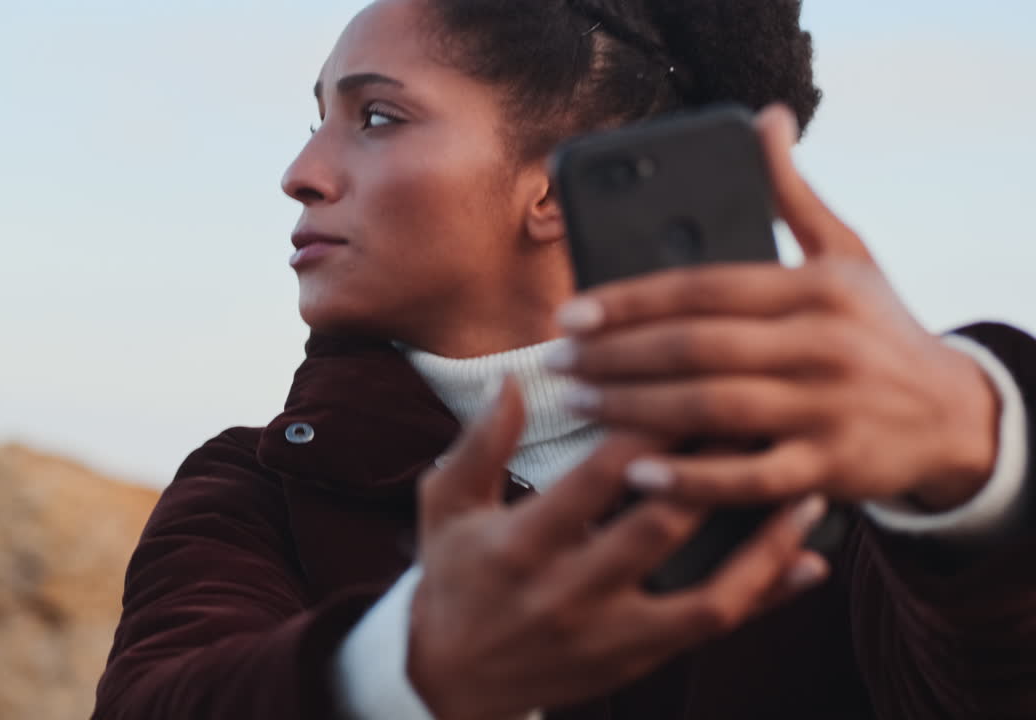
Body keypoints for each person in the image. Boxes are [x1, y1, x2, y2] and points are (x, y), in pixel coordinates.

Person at [93, 0, 1036, 718]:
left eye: (376, 118)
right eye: (316, 119)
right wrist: (399, 667)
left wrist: (984, 464)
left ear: (562, 180)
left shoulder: (848, 473)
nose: (300, 171)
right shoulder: (257, 488)